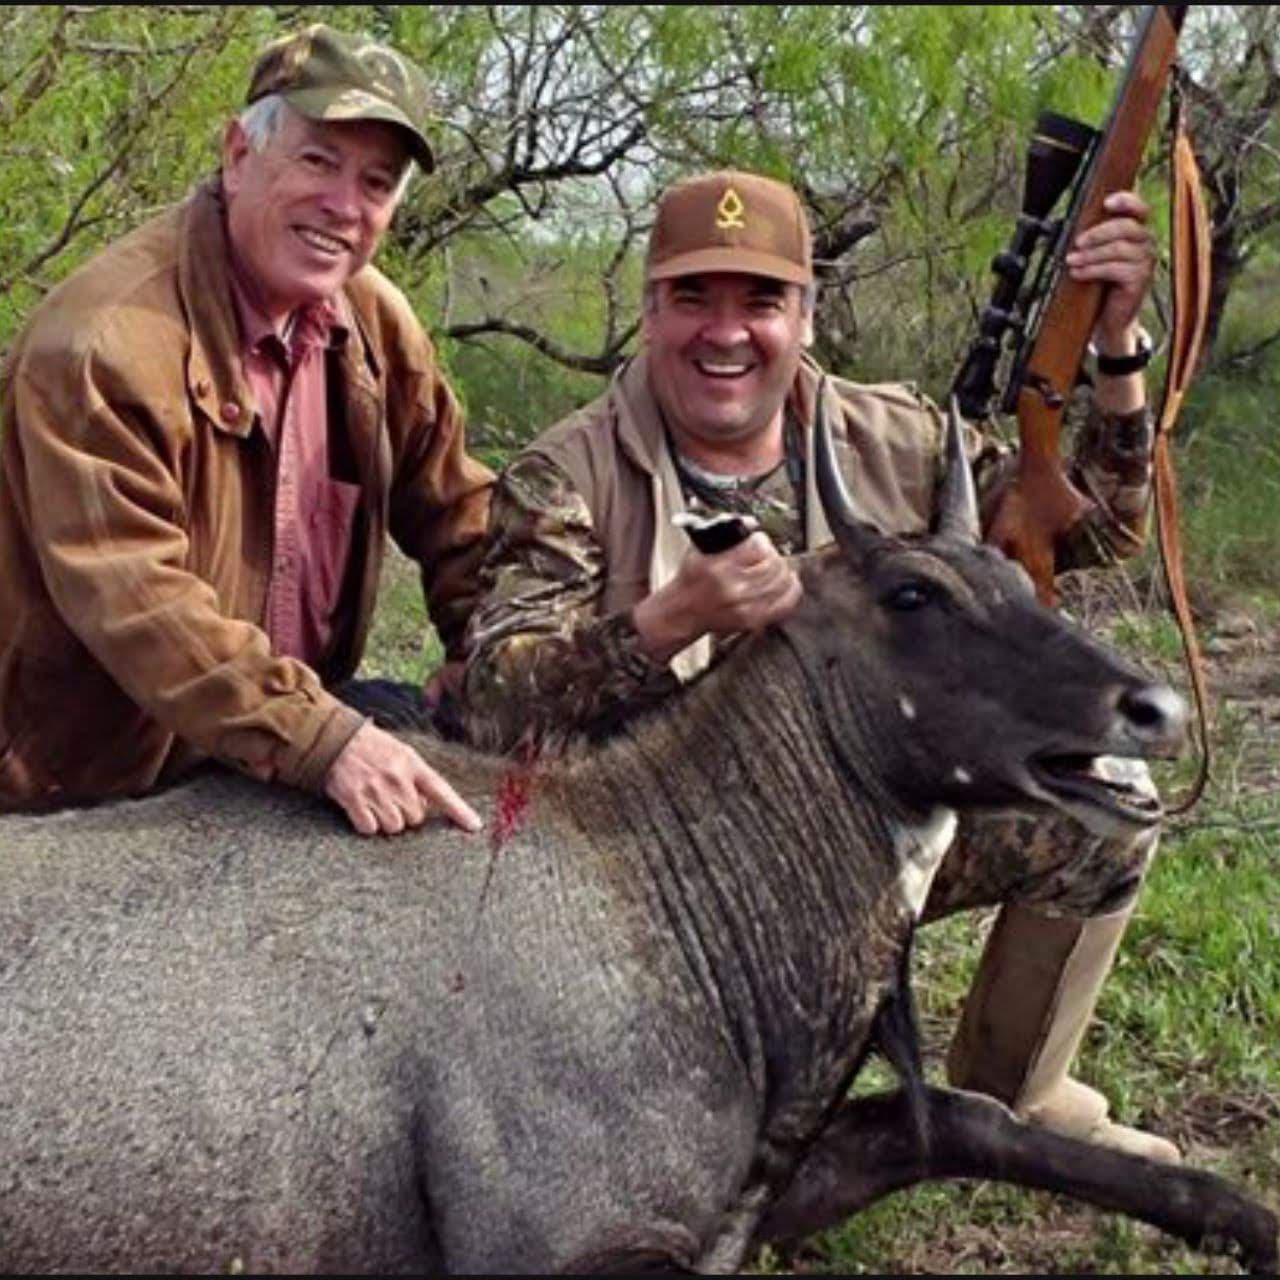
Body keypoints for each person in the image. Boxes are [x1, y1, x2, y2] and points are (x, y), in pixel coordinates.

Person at [461, 169, 1179, 1162]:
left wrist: (1111, 349)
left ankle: (1021, 1089)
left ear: (805, 312)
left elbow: (1092, 529)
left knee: (1099, 798)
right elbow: (499, 709)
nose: (724, 332)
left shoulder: (901, 436)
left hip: (865, 821)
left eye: (759, 300)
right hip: (659, 871)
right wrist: (665, 621)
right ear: (647, 311)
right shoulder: (565, 473)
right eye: (690, 299)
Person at [0, 24, 492, 837]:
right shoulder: (102, 344)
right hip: (89, 787)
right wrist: (324, 740)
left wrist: (493, 653)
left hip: (265, 749)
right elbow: (140, 603)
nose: (344, 207)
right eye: (318, 161)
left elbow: (458, 514)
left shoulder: (373, 321)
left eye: (376, 183)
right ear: (238, 153)